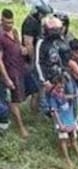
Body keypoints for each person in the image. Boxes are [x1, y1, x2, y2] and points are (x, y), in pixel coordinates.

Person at [0, 10, 29, 138]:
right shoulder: (0, 36)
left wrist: (23, 49)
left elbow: (20, 46)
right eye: (7, 23)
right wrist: (6, 78)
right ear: (1, 21)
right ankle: (21, 127)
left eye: (12, 22)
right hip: (8, 72)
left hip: (19, 70)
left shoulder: (15, 31)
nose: (10, 25)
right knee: (12, 101)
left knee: (18, 98)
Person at [46, 73, 78, 167]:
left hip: (69, 118)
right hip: (61, 120)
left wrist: (74, 96)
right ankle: (67, 159)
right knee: (63, 139)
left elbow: (65, 97)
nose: (61, 89)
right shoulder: (53, 97)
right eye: (59, 87)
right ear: (54, 86)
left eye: (62, 87)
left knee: (73, 137)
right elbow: (55, 112)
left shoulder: (62, 93)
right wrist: (60, 124)